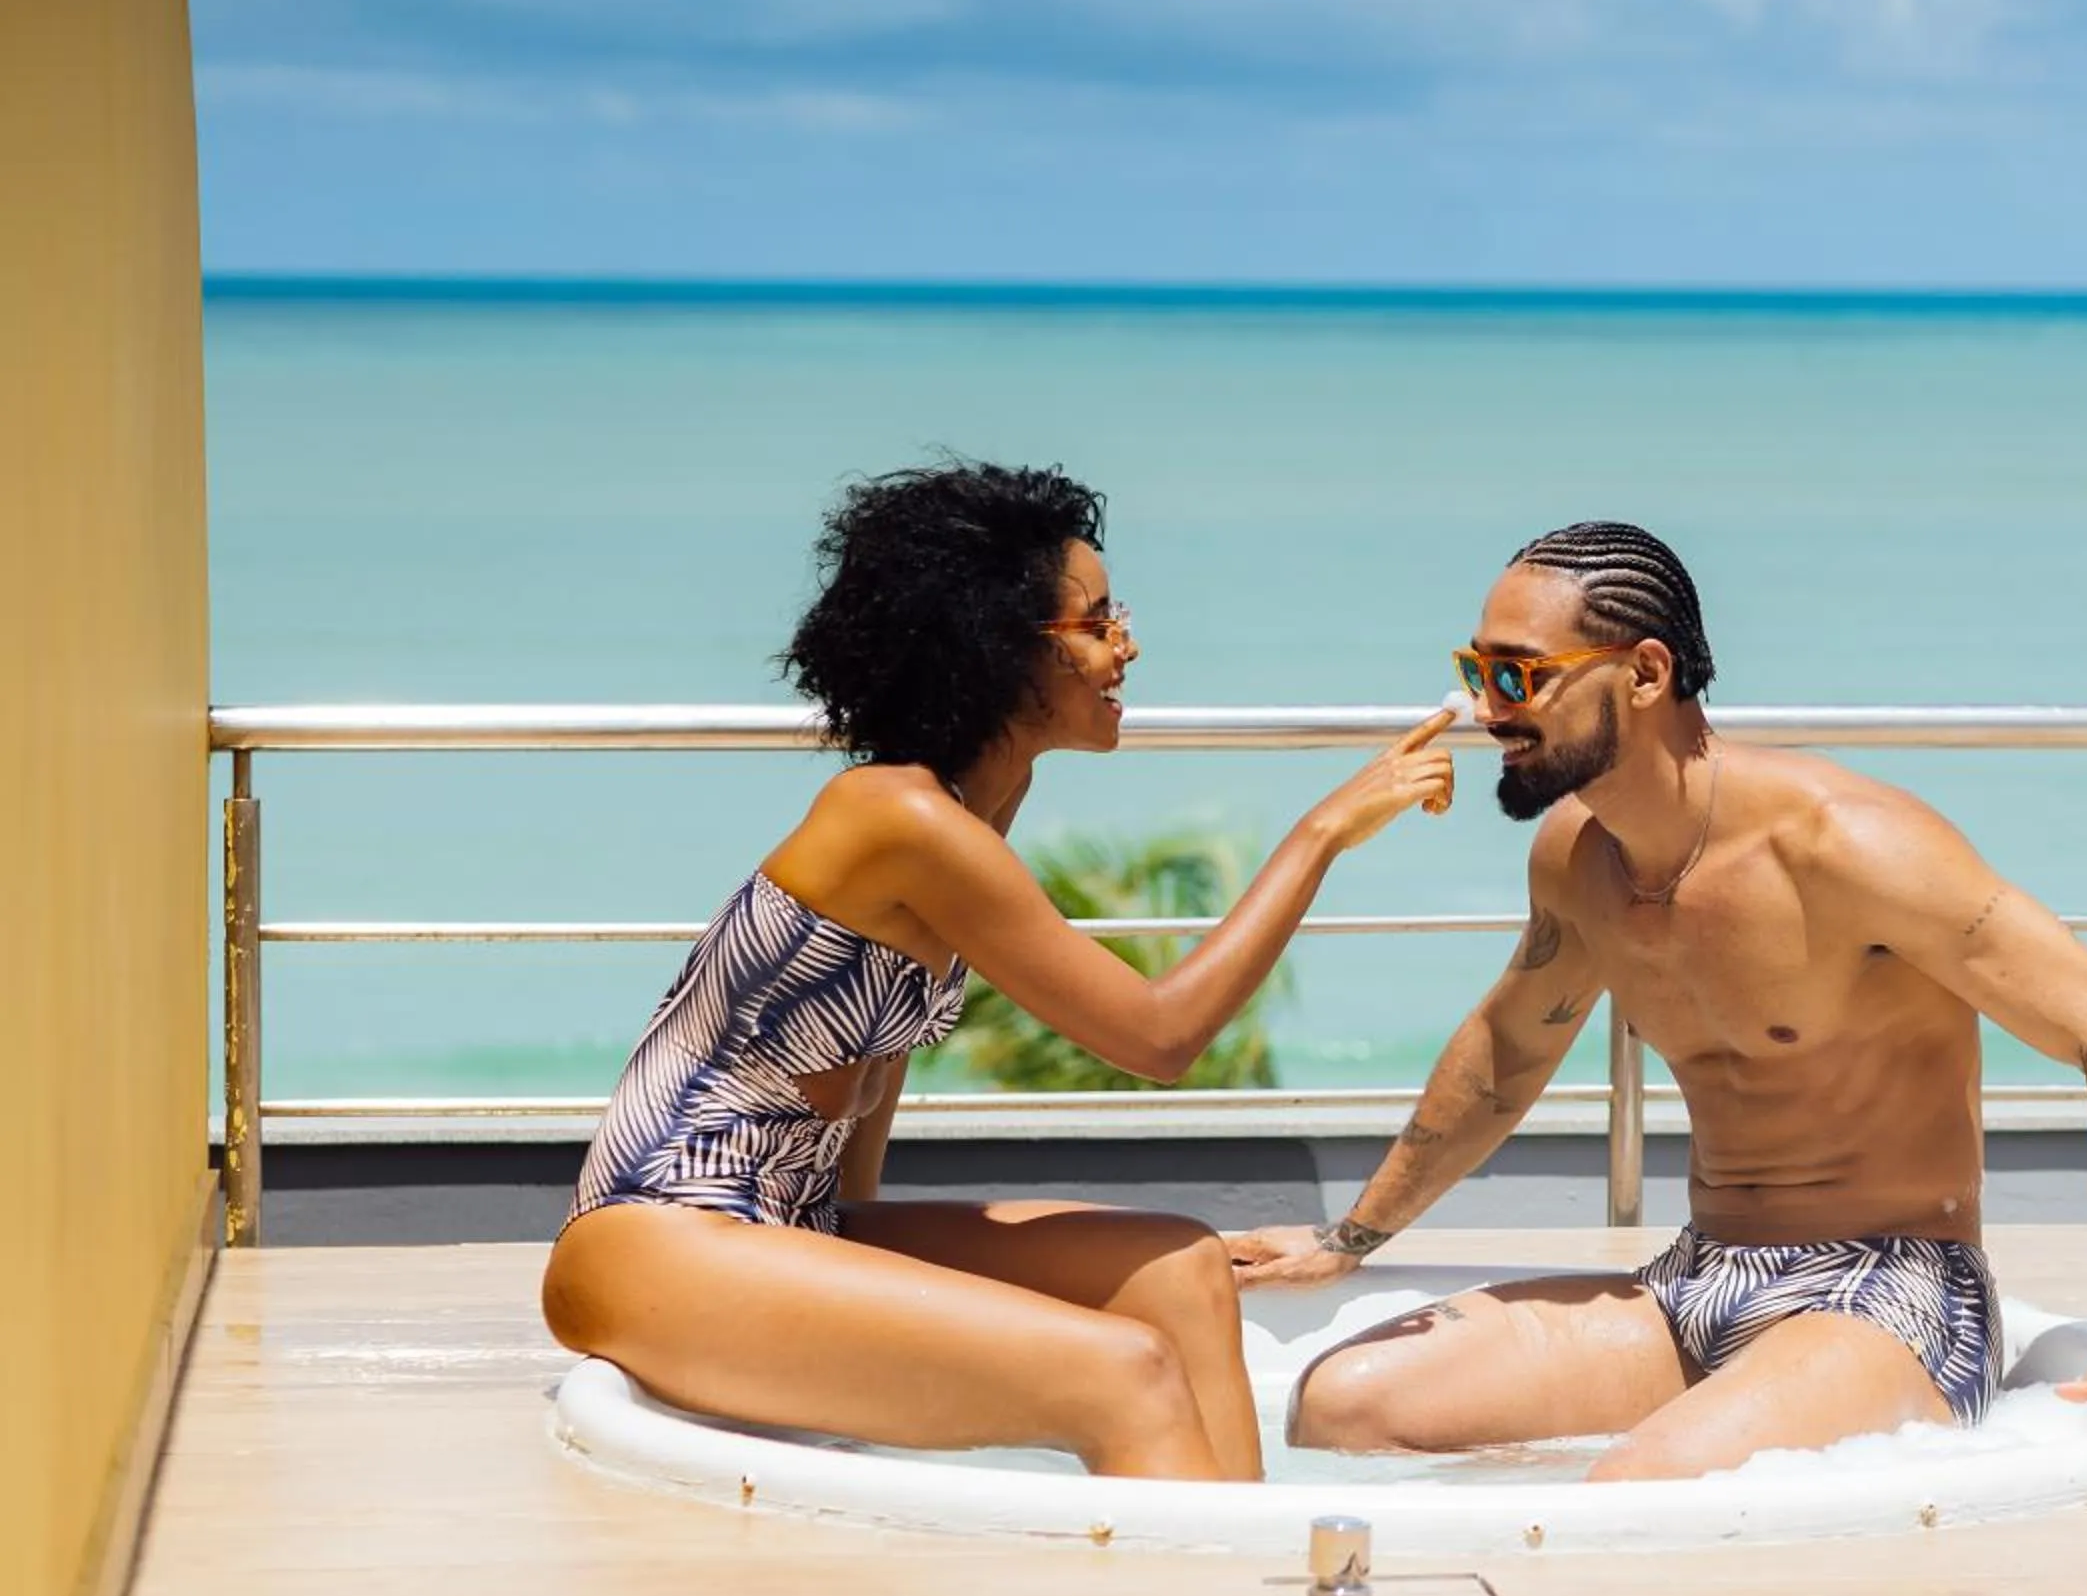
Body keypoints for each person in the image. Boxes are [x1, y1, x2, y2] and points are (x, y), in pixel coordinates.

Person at [1229, 521, 2087, 1480]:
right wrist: (1348, 1237)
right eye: (1476, 671)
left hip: (1894, 1291)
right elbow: (1507, 1056)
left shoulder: (1847, 847)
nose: (1489, 709)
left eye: (1519, 675)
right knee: (1344, 1401)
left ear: (1645, 672)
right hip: (1699, 1278)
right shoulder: (1579, 862)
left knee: (1643, 1483)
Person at [542, 461, 1454, 1481]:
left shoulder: (967, 815)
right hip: (660, 1233)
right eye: (1098, 621)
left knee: (1181, 1264)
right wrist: (1325, 829)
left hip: (784, 1221)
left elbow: (863, 1086)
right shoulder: (899, 815)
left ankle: (1245, 1573)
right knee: (1124, 1370)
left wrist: (877, 1273)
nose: (1128, 644)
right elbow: (1160, 1037)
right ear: (998, 649)